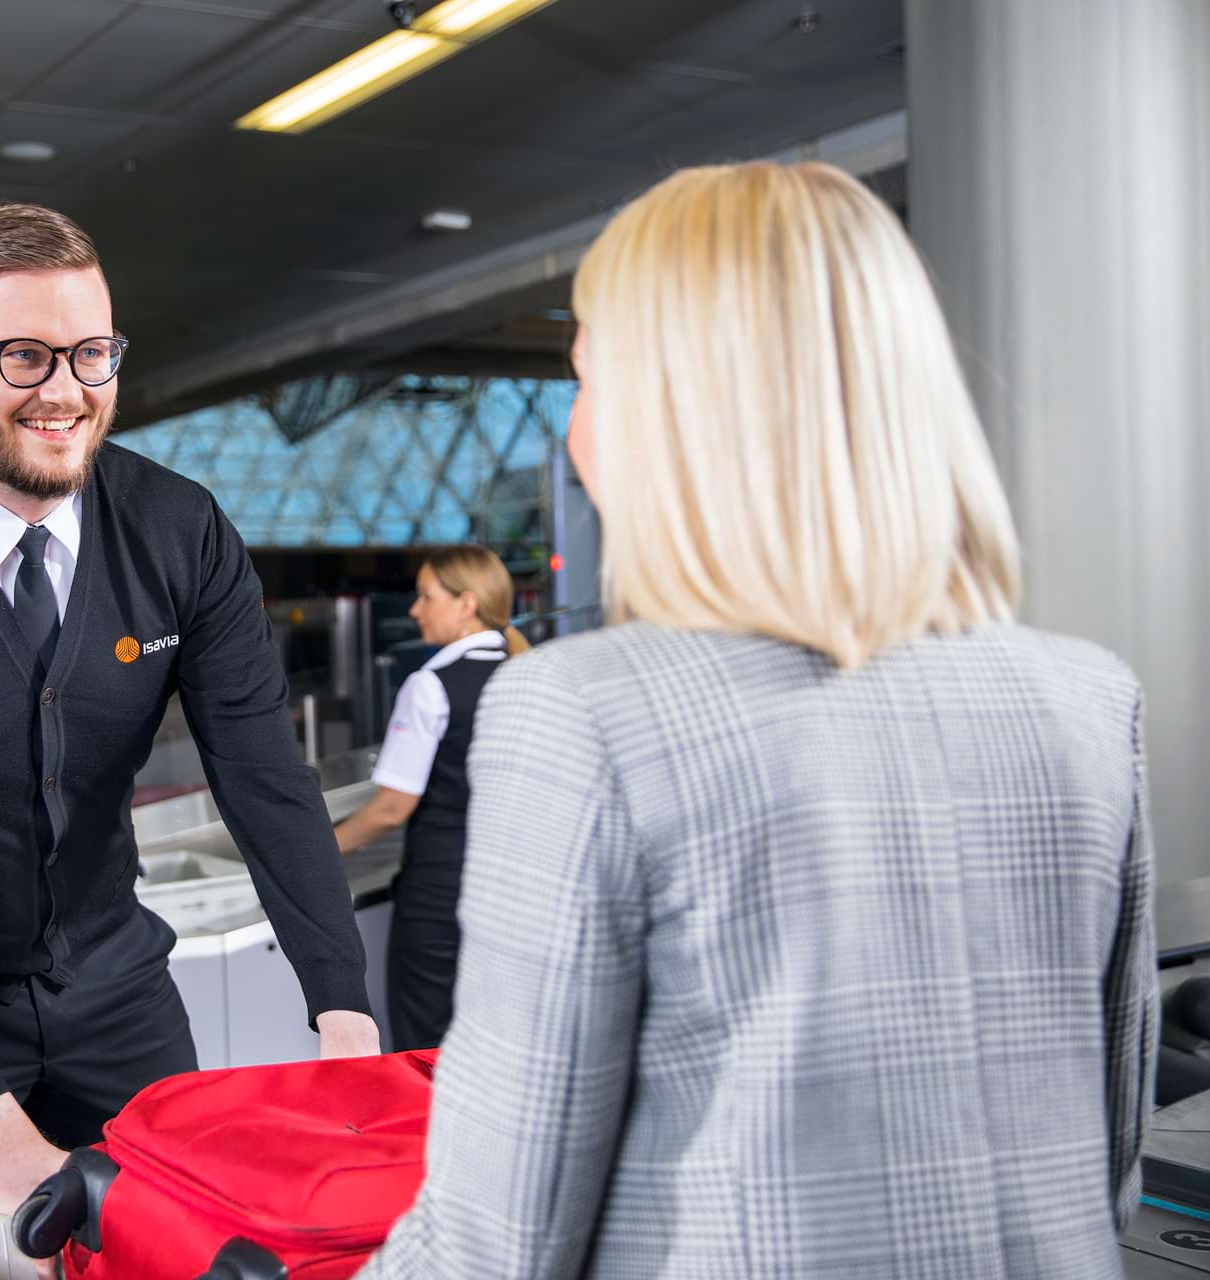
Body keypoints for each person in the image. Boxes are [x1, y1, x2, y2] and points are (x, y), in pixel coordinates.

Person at [360, 161, 1154, 1278]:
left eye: (587, 379)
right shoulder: (1084, 697)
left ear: (679, 414)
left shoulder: (586, 713)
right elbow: (1105, 1153)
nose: (579, 435)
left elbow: (496, 1241)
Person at [0, 203, 379, 1214]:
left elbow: (265, 778)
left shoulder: (181, 531)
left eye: (92, 353)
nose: (66, 393)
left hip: (114, 984)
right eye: (22, 355)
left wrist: (343, 1007)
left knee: (167, 1229)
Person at [333, 545, 529, 1050]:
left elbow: (391, 809)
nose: (415, 610)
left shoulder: (431, 686)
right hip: (518, 893)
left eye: (425, 597)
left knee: (427, 1056)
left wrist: (313, 855)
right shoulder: (532, 676)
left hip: (444, 899)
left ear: (466, 604)